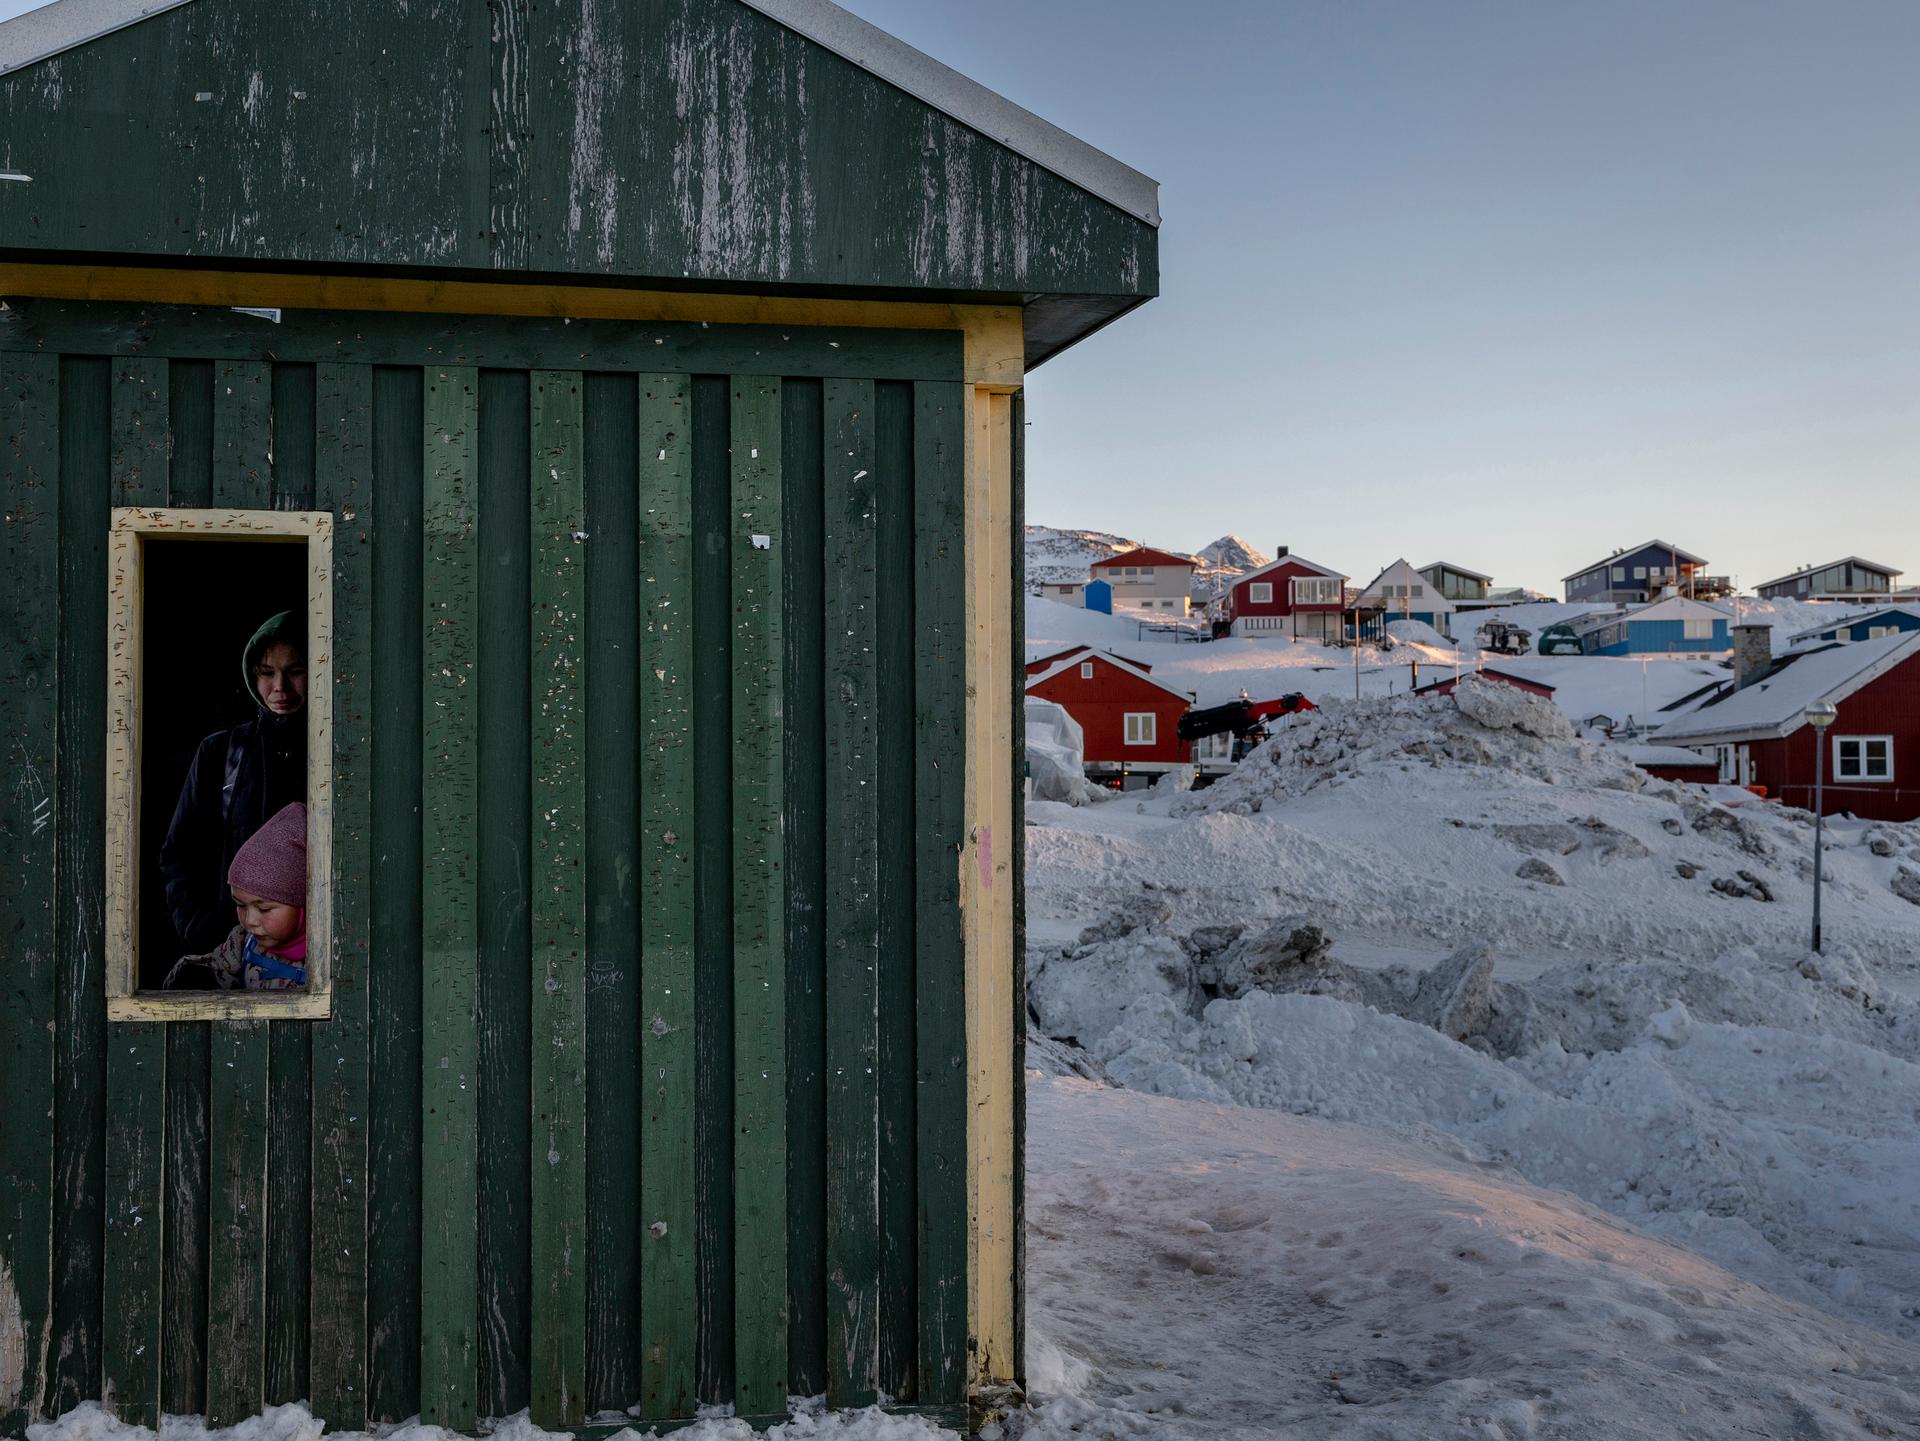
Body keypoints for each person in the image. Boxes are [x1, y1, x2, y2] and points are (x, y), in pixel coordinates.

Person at [159, 610, 308, 958]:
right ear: (252, 675)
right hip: (232, 954)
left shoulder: (341, 754)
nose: (280, 687)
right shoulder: (221, 753)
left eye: (296, 671)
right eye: (267, 673)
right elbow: (179, 853)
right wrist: (200, 931)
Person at [164, 802, 308, 991]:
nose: (250, 921)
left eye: (264, 909)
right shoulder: (241, 942)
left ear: (302, 904)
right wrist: (197, 975)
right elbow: (218, 968)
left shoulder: (329, 954)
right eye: (241, 905)